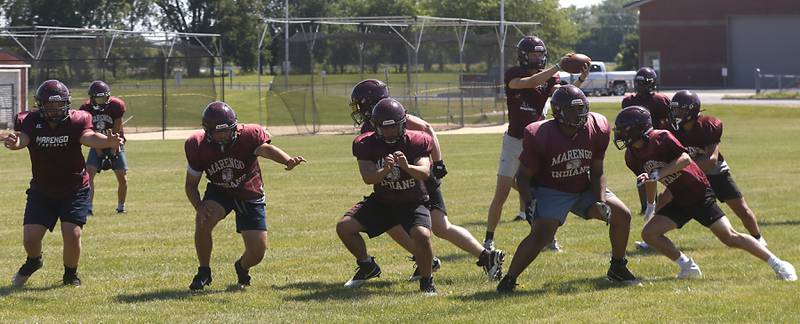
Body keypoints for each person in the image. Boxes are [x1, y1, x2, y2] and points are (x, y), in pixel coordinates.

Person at [613, 106, 796, 281]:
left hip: (698, 193)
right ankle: (688, 267)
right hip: (678, 198)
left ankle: (779, 264)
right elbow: (650, 179)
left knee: (729, 236)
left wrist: (659, 174)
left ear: (639, 127)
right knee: (650, 234)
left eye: (624, 129)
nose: (620, 134)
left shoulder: (661, 138)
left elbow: (684, 160)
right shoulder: (631, 156)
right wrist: (651, 204)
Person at [349, 79, 505, 281]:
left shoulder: (394, 117)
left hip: (417, 179)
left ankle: (485, 256)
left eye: (360, 106)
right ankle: (429, 259)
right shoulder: (375, 125)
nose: (358, 111)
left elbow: (427, 129)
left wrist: (438, 161)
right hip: (399, 182)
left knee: (439, 226)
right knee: (390, 221)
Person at [496, 86, 640, 293]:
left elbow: (598, 171)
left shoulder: (597, 127)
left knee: (622, 215)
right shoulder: (540, 134)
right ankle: (509, 280)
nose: (579, 114)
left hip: (583, 186)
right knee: (542, 235)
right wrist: (529, 202)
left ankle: (618, 267)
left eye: (582, 108)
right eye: (573, 110)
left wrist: (599, 201)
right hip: (551, 190)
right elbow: (523, 177)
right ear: (559, 112)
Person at [6, 80, 124, 287]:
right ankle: (34, 261)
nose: (54, 109)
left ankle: (70, 274)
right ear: (40, 104)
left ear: (67, 103)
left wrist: (107, 142)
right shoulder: (29, 120)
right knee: (30, 238)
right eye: (49, 105)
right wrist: (16, 143)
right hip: (42, 189)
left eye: (58, 104)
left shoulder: (78, 120)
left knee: (72, 233)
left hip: (74, 187)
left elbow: (89, 137)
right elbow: (23, 138)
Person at [184, 101, 306, 290]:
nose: (224, 135)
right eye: (219, 132)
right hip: (220, 190)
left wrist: (287, 160)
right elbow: (191, 185)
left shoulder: (248, 135)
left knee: (257, 251)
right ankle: (203, 271)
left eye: (227, 130)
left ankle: (242, 267)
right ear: (208, 131)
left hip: (249, 190)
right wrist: (199, 207)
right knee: (203, 220)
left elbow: (265, 149)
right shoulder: (197, 145)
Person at [484, 36, 589, 252]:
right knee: (501, 192)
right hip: (514, 140)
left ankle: (549, 238)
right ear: (523, 56)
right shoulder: (513, 74)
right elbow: (529, 83)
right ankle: (489, 239)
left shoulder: (552, 77)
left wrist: (580, 81)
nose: (538, 58)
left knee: (545, 193)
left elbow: (563, 96)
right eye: (534, 54)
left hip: (538, 140)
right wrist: (558, 66)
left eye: (540, 54)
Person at [337, 98, 437, 294]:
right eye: (384, 128)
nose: (389, 132)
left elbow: (424, 172)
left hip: (412, 200)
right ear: (376, 126)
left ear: (402, 124)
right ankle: (367, 266)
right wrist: (386, 169)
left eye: (393, 128)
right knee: (344, 227)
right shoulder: (366, 143)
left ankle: (427, 281)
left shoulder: (417, 140)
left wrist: (406, 166)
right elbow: (368, 178)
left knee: (422, 236)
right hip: (383, 202)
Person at [668, 90, 766, 245]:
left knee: (742, 210)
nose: (676, 113)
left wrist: (686, 170)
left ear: (692, 109)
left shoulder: (707, 125)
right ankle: (653, 237)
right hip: (692, 175)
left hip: (715, 173)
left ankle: (758, 239)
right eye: (674, 109)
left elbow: (711, 159)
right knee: (666, 201)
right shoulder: (674, 131)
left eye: (680, 109)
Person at [621, 67, 673, 221]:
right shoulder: (631, 101)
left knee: (655, 175)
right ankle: (648, 206)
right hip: (640, 144)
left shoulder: (659, 100)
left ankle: (652, 205)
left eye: (641, 83)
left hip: (653, 144)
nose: (639, 86)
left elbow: (669, 122)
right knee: (644, 176)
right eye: (638, 83)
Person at [79, 81, 129, 214]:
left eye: (104, 98)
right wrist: (100, 153)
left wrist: (113, 151)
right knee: (89, 175)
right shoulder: (85, 108)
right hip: (96, 144)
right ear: (92, 98)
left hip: (116, 143)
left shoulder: (116, 105)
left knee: (122, 176)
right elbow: (89, 133)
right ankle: (88, 207)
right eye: (98, 98)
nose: (102, 101)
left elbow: (117, 129)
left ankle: (121, 207)